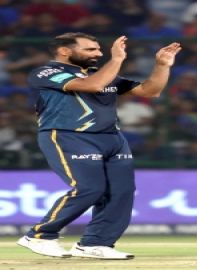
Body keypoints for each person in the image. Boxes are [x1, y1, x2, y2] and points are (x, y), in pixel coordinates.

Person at [16, 32, 181, 259]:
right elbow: (92, 86)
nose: (98, 54)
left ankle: (95, 243)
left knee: (121, 192)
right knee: (89, 188)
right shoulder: (47, 72)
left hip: (112, 138)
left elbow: (150, 91)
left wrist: (162, 66)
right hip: (69, 136)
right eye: (90, 50)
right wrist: (116, 59)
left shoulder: (103, 74)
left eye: (99, 49)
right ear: (65, 51)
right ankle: (40, 235)